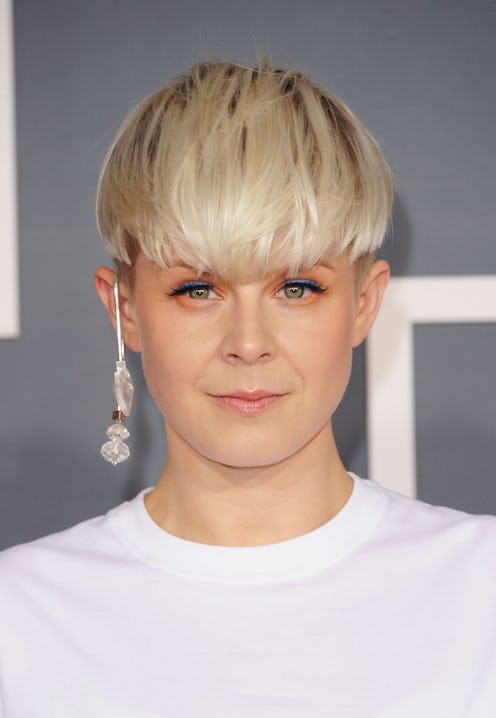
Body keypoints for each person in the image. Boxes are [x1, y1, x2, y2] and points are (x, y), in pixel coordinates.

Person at [0, 60, 495, 717]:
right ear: (124, 309)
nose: (249, 342)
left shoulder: (482, 591)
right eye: (197, 290)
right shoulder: (20, 617)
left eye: (297, 287)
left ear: (364, 303)